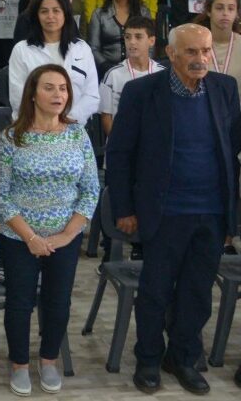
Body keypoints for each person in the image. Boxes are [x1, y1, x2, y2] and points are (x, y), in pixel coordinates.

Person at [106, 23, 241, 395]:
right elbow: (119, 154)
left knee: (197, 293)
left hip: (211, 212)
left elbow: (231, 150)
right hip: (163, 211)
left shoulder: (225, 88)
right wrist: (124, 208)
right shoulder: (142, 92)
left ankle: (182, 358)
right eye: (192, 51)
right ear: (171, 53)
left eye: (206, 51)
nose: (201, 58)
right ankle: (149, 359)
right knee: (156, 291)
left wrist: (231, 215)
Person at [0, 65, 99, 396]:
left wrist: (67, 235)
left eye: (63, 88)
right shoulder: (11, 138)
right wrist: (31, 237)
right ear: (33, 94)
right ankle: (19, 364)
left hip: (64, 237)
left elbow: (90, 190)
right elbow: (0, 195)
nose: (58, 95)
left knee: (59, 301)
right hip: (18, 237)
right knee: (20, 300)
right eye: (50, 88)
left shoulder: (77, 134)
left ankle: (49, 360)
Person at [8, 0, 101, 123]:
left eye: (56, 11)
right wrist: (48, 122)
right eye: (44, 11)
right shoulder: (21, 50)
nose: (50, 16)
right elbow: (18, 97)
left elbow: (91, 95)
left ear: (65, 15)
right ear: (37, 16)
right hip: (33, 124)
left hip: (74, 124)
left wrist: (67, 120)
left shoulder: (82, 49)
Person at [99, 15, 162, 135]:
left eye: (138, 37)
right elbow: (106, 116)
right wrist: (118, 143)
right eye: (128, 37)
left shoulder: (162, 73)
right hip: (122, 141)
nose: (132, 42)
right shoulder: (113, 74)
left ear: (151, 41)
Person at [87, 0, 151, 76]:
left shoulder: (143, 13)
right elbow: (93, 48)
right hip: (106, 71)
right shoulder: (99, 14)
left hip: (139, 71)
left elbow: (150, 46)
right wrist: (110, 70)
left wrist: (141, 68)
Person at [196, 0, 241, 92]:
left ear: (237, 14)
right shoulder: (196, 44)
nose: (225, 13)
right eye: (219, 8)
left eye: (231, 9)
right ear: (209, 11)